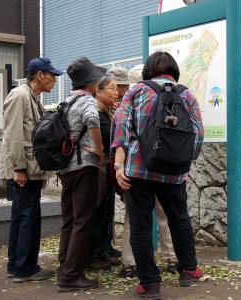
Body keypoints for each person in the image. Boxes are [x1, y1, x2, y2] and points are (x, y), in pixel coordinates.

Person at [111, 51, 204, 299]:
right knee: (179, 219)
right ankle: (188, 269)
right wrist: (186, 161)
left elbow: (120, 125)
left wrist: (119, 165)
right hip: (173, 173)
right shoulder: (186, 94)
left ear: (148, 71)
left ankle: (150, 284)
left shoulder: (136, 91)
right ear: (173, 71)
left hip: (138, 171)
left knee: (141, 226)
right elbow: (198, 133)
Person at [0, 57, 63, 282]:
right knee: (27, 217)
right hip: (23, 167)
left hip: (29, 167)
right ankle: (25, 268)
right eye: (52, 76)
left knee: (23, 215)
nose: (54, 80)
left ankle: (16, 265)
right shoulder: (21, 95)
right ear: (40, 76)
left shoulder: (32, 97)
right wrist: (18, 168)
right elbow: (13, 134)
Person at [119, 64, 177, 278]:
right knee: (164, 214)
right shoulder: (164, 99)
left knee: (133, 219)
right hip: (162, 165)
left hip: (135, 167)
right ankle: (171, 258)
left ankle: (129, 263)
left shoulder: (129, 100)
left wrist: (118, 166)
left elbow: (119, 135)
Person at [57, 57, 105, 292]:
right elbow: (93, 120)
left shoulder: (66, 102)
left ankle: (64, 265)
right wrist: (98, 149)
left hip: (65, 168)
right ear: (89, 81)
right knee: (83, 220)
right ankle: (70, 276)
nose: (99, 81)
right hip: (84, 166)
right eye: (96, 78)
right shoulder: (87, 100)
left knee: (69, 219)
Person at [87, 71, 121, 269]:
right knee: (97, 210)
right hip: (97, 169)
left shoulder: (108, 112)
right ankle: (93, 254)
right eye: (112, 88)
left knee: (107, 210)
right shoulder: (93, 114)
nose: (116, 93)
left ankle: (104, 248)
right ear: (98, 91)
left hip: (107, 169)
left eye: (117, 88)